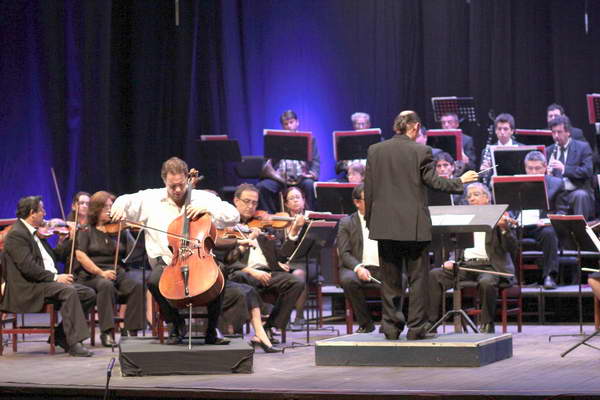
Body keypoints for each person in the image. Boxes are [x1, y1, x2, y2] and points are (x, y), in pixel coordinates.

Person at [364, 110, 478, 340]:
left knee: (390, 280)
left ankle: (391, 328)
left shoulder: (375, 150)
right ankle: (416, 328)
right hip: (413, 226)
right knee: (417, 280)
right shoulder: (421, 151)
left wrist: (370, 221)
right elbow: (433, 182)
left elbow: (369, 188)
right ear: (415, 127)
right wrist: (460, 180)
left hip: (384, 225)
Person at [110, 157, 239, 345]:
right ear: (164, 181)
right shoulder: (151, 198)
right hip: (167, 260)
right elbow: (124, 200)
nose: (178, 190)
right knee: (154, 281)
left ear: (187, 179)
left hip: (199, 258)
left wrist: (208, 208)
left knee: (219, 274)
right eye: (172, 186)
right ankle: (176, 325)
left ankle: (212, 330)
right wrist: (118, 207)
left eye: (181, 185)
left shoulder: (202, 198)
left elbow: (234, 216)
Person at [1, 196, 96, 356]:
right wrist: (55, 278)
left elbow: (55, 256)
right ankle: (74, 343)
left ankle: (60, 336)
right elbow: (28, 268)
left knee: (88, 294)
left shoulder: (35, 233)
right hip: (28, 287)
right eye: (42, 210)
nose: (45, 213)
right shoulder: (17, 234)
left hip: (43, 284)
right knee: (68, 291)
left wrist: (69, 240)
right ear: (32, 213)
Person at [221, 184, 305, 343]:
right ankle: (249, 323)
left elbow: (282, 255)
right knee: (239, 277)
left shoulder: (264, 225)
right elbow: (226, 260)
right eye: (247, 201)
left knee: (296, 282)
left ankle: (270, 327)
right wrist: (252, 271)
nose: (250, 206)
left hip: (267, 272)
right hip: (243, 273)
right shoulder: (227, 226)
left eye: (254, 203)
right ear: (236, 201)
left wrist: (293, 233)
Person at [428, 183, 517, 333]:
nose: (472, 199)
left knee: (486, 282)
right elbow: (456, 244)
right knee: (434, 275)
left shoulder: (499, 215)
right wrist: (452, 259)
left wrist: (504, 229)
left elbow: (511, 248)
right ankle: (431, 323)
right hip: (466, 265)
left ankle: (487, 324)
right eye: (469, 196)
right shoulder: (465, 217)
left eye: (476, 195)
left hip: (490, 267)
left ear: (487, 198)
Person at [75, 191, 144, 347]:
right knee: (106, 285)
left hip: (116, 272)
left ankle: (130, 330)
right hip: (92, 275)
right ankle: (106, 332)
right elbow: (81, 256)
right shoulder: (86, 230)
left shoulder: (119, 230)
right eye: (106, 207)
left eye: (111, 207)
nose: (110, 210)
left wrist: (129, 229)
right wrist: (101, 273)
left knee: (137, 286)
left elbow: (134, 252)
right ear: (96, 209)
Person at [337, 183, 389, 333]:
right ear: (357, 202)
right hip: (357, 267)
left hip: (381, 267)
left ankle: (388, 322)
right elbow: (344, 253)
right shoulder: (346, 223)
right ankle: (366, 323)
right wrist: (358, 268)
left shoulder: (386, 219)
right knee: (348, 280)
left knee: (400, 277)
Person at [522, 151, 569, 289]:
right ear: (525, 167)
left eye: (537, 168)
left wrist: (547, 221)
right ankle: (510, 277)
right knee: (504, 232)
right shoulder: (517, 182)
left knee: (549, 233)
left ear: (545, 167)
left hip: (542, 225)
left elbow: (562, 211)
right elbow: (511, 208)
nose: (533, 172)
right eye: (530, 168)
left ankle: (550, 276)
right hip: (520, 224)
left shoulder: (557, 184)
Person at [258, 110, 320, 213]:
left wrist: (313, 173)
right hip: (280, 178)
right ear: (282, 126)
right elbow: (266, 162)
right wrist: (275, 175)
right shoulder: (274, 140)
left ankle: (310, 214)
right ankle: (270, 216)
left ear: (297, 122)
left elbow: (316, 160)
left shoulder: (310, 140)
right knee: (263, 187)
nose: (289, 126)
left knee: (310, 185)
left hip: (301, 178)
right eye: (286, 124)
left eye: (291, 122)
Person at [546, 116, 595, 219]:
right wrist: (548, 173)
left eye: (559, 132)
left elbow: (587, 171)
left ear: (568, 132)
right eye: (553, 132)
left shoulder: (583, 147)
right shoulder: (549, 150)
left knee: (580, 195)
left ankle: (581, 228)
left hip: (576, 190)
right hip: (557, 194)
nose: (556, 136)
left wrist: (564, 169)